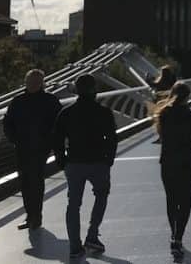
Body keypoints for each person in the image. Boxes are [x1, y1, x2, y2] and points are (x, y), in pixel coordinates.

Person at [54, 74, 118, 260]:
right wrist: (109, 159)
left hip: (74, 163)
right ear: (95, 90)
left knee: (73, 204)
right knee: (101, 195)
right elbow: (112, 138)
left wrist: (62, 160)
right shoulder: (104, 112)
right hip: (99, 162)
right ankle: (92, 235)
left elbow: (57, 138)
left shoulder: (66, 113)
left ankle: (75, 246)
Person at [2, 69, 61, 231]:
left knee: (36, 181)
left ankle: (36, 217)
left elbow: (59, 124)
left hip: (41, 149)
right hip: (22, 148)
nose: (33, 84)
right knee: (24, 182)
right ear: (26, 82)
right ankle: (30, 216)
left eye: (36, 82)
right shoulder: (17, 101)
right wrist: (14, 139)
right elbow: (7, 122)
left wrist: (51, 144)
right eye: (30, 81)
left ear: (42, 83)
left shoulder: (51, 101)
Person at [154, 82, 191, 259]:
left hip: (168, 162)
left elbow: (162, 136)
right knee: (185, 200)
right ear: (187, 97)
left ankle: (173, 233)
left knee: (171, 199)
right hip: (187, 162)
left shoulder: (163, 115)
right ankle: (178, 237)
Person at [150, 65, 177, 144]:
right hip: (169, 103)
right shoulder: (172, 80)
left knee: (159, 121)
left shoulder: (160, 81)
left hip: (160, 104)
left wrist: (148, 78)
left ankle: (161, 137)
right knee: (169, 121)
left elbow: (153, 85)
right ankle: (170, 136)